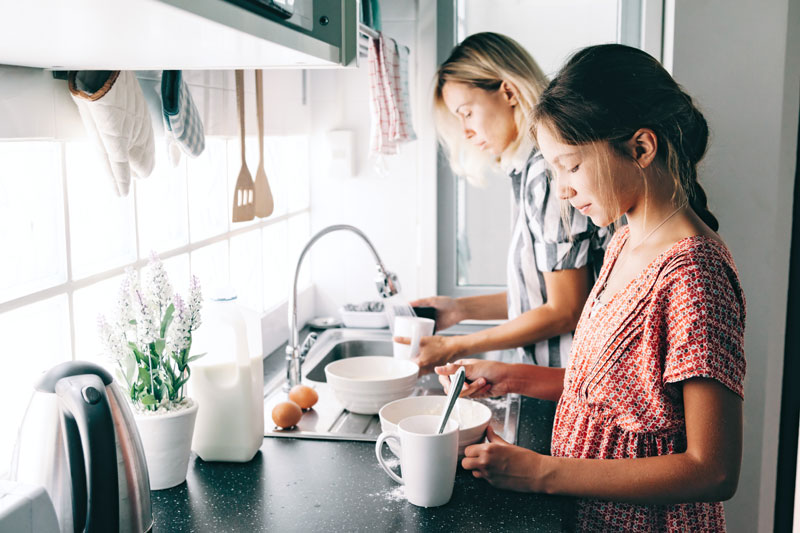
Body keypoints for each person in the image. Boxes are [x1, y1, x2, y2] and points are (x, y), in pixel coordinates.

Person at [436, 43, 746, 532]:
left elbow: (713, 469)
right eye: (554, 168)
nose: (560, 189)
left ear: (641, 148)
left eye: (572, 166)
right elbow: (617, 399)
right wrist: (511, 377)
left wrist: (541, 473)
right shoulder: (625, 241)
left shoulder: (695, 275)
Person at [397, 32, 610, 375]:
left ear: (509, 92)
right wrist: (458, 309)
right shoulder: (527, 173)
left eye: (466, 112)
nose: (464, 130)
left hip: (573, 383)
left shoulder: (546, 172)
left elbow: (566, 308)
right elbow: (540, 296)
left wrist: (456, 345)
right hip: (556, 380)